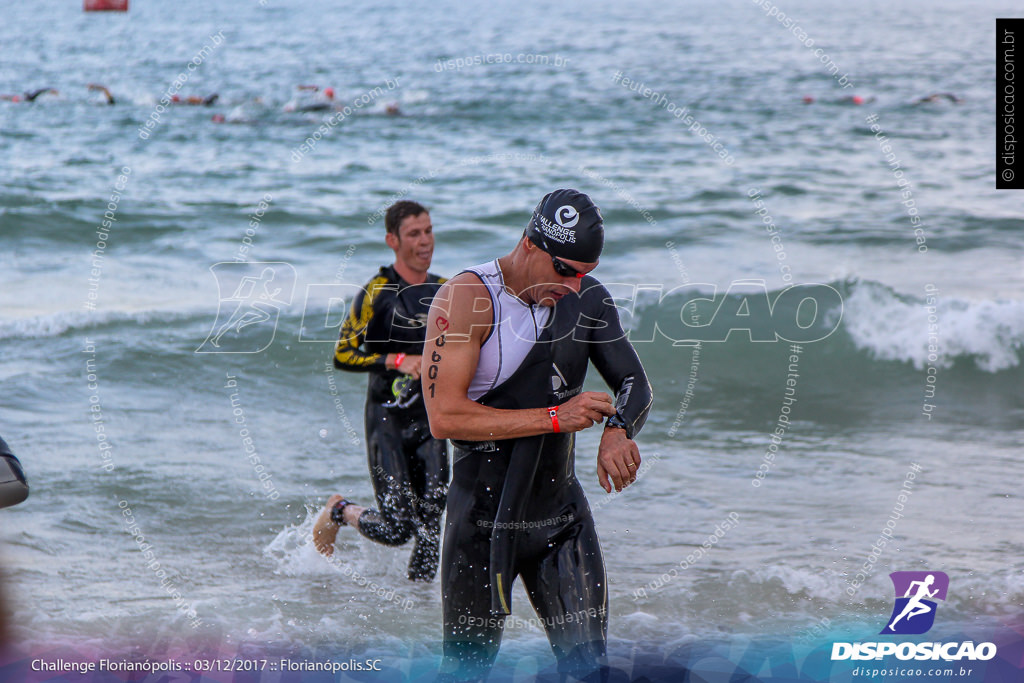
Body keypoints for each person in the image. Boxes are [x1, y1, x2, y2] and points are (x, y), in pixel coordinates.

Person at [422, 189, 653, 680]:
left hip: (560, 522)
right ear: (530, 243)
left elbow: (635, 383)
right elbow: (445, 417)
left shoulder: (586, 299)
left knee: (590, 670)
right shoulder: (468, 297)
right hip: (480, 523)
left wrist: (619, 429)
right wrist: (554, 417)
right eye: (565, 270)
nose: (573, 284)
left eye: (585, 272)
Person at [312, 201, 450, 582]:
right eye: (414, 234)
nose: (425, 241)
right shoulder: (376, 293)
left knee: (432, 519)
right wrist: (395, 361)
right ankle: (340, 510)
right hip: (387, 422)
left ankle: (419, 610)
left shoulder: (445, 291)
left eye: (428, 230)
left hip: (431, 422)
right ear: (392, 240)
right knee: (398, 528)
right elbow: (342, 353)